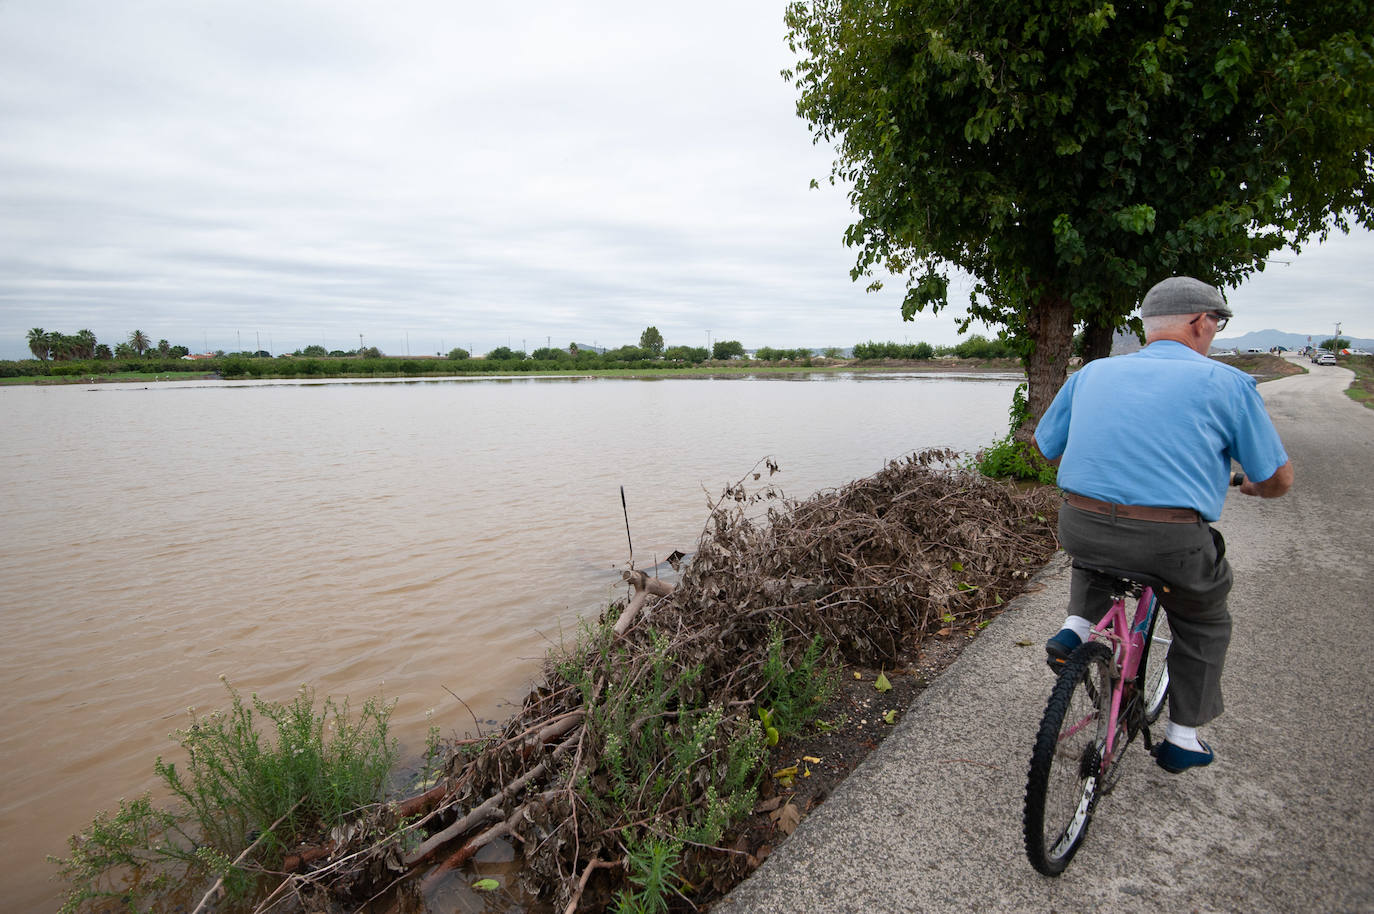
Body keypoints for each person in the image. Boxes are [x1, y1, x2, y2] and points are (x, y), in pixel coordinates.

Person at [1033, 276, 1293, 773]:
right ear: (1200, 322)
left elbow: (1046, 447)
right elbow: (1276, 478)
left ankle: (1076, 627)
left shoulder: (1092, 374)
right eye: (1216, 323)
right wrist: (1257, 488)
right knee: (1203, 619)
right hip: (1169, 541)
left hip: (1079, 522)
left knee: (1095, 549)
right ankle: (1182, 737)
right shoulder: (1228, 383)